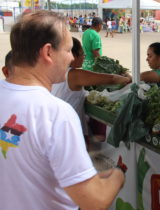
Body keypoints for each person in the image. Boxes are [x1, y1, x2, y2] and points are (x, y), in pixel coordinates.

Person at [0, 10, 125, 210]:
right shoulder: (56, 114)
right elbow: (96, 201)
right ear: (48, 52)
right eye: (68, 50)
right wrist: (118, 175)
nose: (70, 59)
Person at [51, 37, 131, 138]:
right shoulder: (74, 75)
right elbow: (111, 79)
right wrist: (127, 78)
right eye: (82, 54)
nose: (84, 57)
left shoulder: (53, 71)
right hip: (67, 131)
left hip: (54, 126)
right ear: (73, 56)